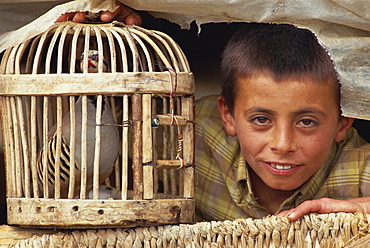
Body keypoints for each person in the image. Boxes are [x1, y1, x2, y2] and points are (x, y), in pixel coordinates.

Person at [61, 1, 370, 222]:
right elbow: (100, 142)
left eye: (307, 122)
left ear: (344, 120)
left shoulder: (359, 163)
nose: (283, 143)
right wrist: (95, 34)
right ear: (228, 116)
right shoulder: (191, 133)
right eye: (261, 120)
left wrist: (363, 208)